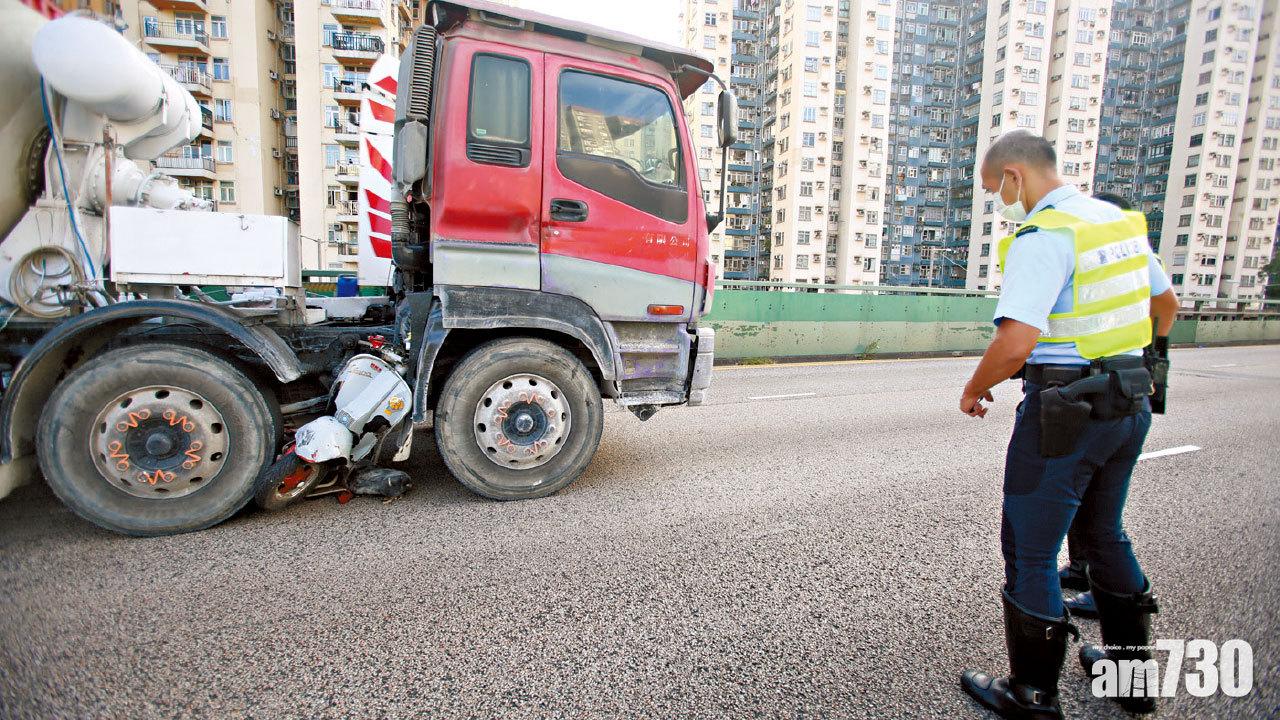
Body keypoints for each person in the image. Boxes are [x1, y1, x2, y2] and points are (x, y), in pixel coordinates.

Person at [957, 130, 1179, 719]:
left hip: (1064, 412)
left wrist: (975, 388)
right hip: (1128, 405)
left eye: (994, 190)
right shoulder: (1116, 223)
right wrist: (1140, 360)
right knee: (1104, 534)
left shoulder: (1045, 235)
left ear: (1015, 177)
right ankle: (1132, 681)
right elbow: (1167, 304)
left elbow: (1017, 342)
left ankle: (1032, 694)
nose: (999, 204)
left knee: (1030, 550)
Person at [1056, 191, 1140, 621]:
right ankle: (1084, 569)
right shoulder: (1131, 264)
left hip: (1100, 398)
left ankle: (1033, 682)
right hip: (1124, 394)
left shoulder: (1116, 266)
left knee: (1098, 516)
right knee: (1094, 503)